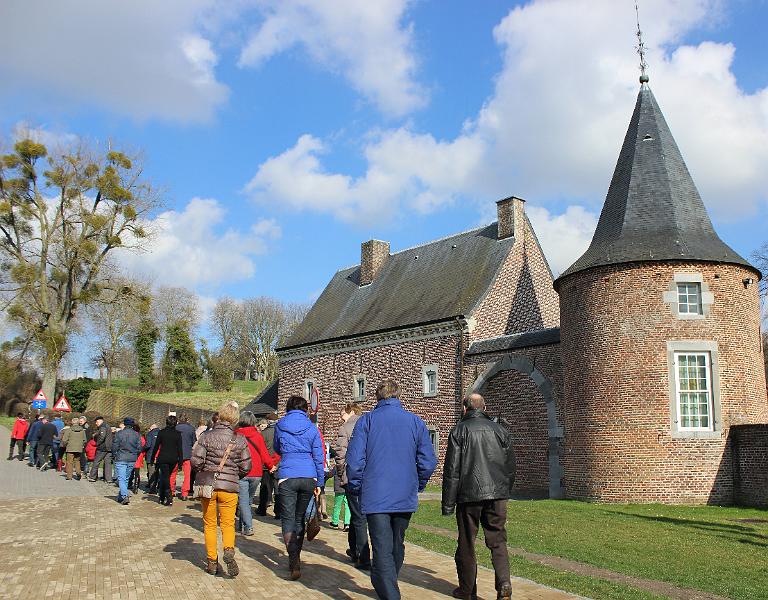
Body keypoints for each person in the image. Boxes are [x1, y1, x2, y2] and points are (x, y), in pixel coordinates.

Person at [346, 379, 437, 600]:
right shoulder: (415, 422)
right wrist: (418, 484)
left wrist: (357, 487)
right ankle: (388, 586)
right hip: (403, 493)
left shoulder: (366, 421)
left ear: (377, 397)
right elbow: (428, 461)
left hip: (376, 494)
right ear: (398, 396)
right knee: (396, 544)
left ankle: (389, 591)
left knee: (383, 547)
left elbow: (354, 461)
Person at [442, 393, 515, 600]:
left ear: (465, 409)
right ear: (484, 407)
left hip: (469, 496)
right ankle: (504, 583)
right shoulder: (501, 430)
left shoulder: (459, 431)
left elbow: (452, 470)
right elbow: (510, 467)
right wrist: (504, 490)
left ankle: (467, 590)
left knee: (467, 543)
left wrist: (448, 504)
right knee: (498, 541)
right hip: (497, 496)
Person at [191, 401, 251, 577]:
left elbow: (195, 461)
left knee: (209, 524)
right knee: (228, 523)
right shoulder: (239, 439)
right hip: (229, 487)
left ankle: (211, 562)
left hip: (209, 486)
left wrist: (203, 469)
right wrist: (233, 476)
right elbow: (247, 465)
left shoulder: (206, 436)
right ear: (235, 419)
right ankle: (229, 549)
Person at [273, 395, 324, 581]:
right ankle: (296, 557)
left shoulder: (280, 425)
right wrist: (319, 483)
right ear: (305, 409)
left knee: (288, 518)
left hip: (287, 474)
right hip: (308, 474)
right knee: (299, 518)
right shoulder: (312, 428)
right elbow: (319, 456)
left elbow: (277, 448)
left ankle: (293, 557)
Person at [333, 402, 370, 569]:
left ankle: (363, 555)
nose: (341, 416)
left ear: (350, 411)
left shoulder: (346, 428)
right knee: (358, 516)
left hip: (352, 475)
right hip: (369, 477)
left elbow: (340, 455)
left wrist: (341, 474)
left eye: (343, 412)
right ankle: (355, 550)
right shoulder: (369, 425)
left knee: (358, 517)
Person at [235, 411, 278, 535]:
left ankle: (248, 526)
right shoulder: (258, 436)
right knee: (247, 500)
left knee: (243, 501)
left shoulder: (237, 435)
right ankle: (241, 524)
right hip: (257, 473)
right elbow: (264, 454)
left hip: (242, 471)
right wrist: (271, 465)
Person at [153, 415, 183, 506]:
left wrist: (152, 458)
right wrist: (180, 462)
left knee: (165, 477)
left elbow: (156, 446)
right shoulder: (178, 434)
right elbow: (180, 449)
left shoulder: (162, 432)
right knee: (165, 477)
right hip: (173, 459)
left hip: (163, 458)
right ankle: (162, 497)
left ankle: (168, 497)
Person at [112, 417, 143, 505]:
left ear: (125, 424)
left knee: (121, 478)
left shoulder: (119, 434)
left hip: (121, 457)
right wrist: (135, 455)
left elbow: (115, 446)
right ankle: (120, 496)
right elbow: (140, 448)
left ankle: (125, 495)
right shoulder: (137, 435)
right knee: (125, 478)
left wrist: (114, 455)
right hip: (132, 458)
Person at [256, 415, 280, 517]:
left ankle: (262, 509)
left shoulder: (263, 433)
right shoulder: (281, 433)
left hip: (266, 464)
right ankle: (279, 512)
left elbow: (260, 449)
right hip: (278, 463)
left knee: (265, 487)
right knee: (278, 488)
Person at [171, 413, 197, 501]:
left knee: (173, 473)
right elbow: (194, 442)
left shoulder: (175, 427)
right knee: (187, 475)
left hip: (175, 453)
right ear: (187, 419)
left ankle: (171, 491)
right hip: (187, 454)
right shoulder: (191, 429)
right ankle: (184, 493)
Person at [60, 416, 87, 480]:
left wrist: (65, 444)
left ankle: (69, 476)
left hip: (70, 448)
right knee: (77, 461)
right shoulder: (82, 430)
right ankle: (78, 473)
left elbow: (64, 440)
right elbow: (85, 440)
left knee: (69, 462)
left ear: (72, 422)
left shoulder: (69, 430)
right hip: (79, 448)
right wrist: (81, 445)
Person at [88, 416, 113, 482]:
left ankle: (92, 477)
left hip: (103, 447)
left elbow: (102, 437)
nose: (96, 423)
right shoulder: (107, 426)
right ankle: (108, 479)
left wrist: (97, 443)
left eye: (97, 422)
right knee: (108, 463)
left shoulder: (103, 427)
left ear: (100, 421)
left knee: (96, 461)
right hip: (109, 447)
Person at [129, 423, 146, 494]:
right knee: (137, 472)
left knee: (130, 471)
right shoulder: (141, 438)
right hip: (139, 456)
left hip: (131, 455)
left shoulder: (130, 437)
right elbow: (144, 447)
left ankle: (129, 483)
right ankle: (136, 487)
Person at [144, 423, 160, 493]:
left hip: (151, 455)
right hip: (160, 455)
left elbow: (148, 445)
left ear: (151, 428)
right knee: (158, 472)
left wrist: (142, 449)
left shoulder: (150, 434)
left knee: (151, 472)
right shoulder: (161, 433)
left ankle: (152, 488)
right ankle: (159, 484)